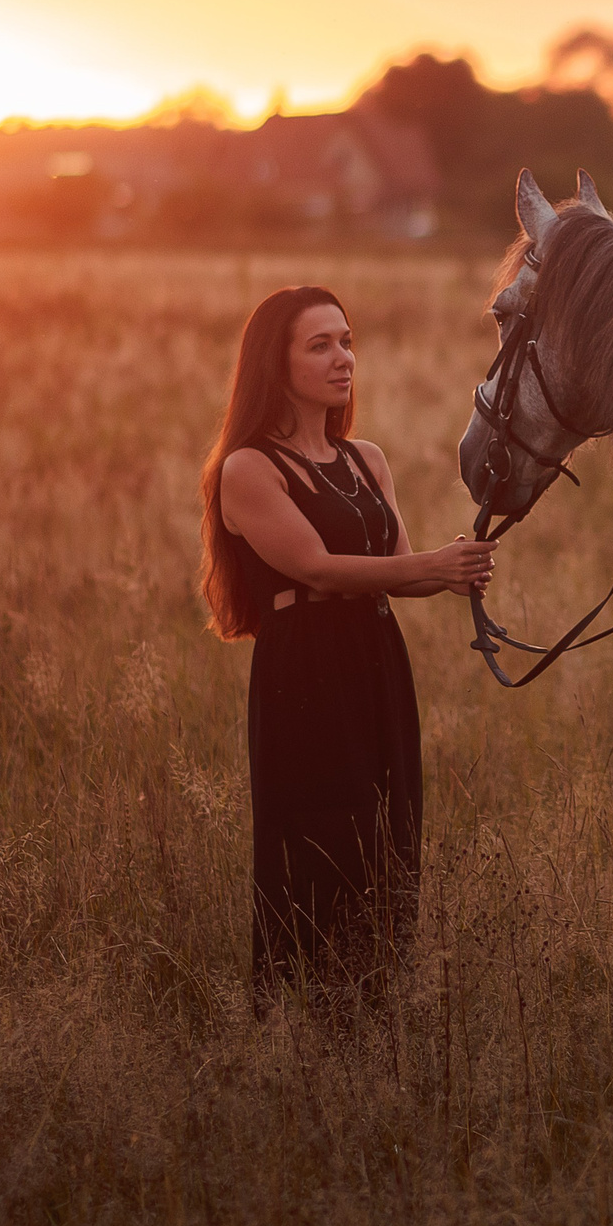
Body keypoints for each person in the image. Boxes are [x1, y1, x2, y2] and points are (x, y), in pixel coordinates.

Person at [198, 285, 496, 1001]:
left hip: (375, 659)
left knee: (390, 830)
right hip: (304, 671)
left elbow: (399, 568)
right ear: (277, 362)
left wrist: (458, 563)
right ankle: (306, 1013)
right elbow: (314, 566)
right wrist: (428, 567)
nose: (343, 358)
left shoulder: (367, 458)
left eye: (348, 340)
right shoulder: (248, 468)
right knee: (322, 834)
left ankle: (379, 999)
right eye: (320, 344)